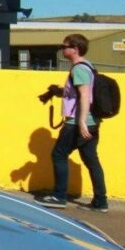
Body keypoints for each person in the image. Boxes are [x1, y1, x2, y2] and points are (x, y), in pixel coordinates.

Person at [35, 34, 107, 211]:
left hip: (77, 123)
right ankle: (100, 201)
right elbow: (77, 93)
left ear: (75, 49)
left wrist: (81, 122)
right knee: (91, 160)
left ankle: (59, 196)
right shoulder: (87, 66)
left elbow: (84, 96)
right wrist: (57, 92)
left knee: (59, 154)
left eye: (64, 46)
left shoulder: (79, 69)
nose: (62, 49)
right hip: (91, 122)